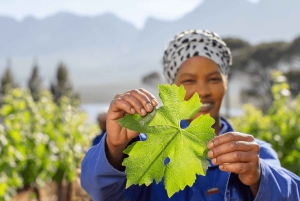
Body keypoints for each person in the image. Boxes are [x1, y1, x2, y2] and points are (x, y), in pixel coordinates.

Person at [81, 29, 300, 200]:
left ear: (225, 85)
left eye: (214, 79)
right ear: (172, 86)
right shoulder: (145, 148)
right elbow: (103, 193)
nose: (203, 91)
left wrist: (260, 177)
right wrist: (114, 148)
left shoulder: (254, 154)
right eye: (188, 81)